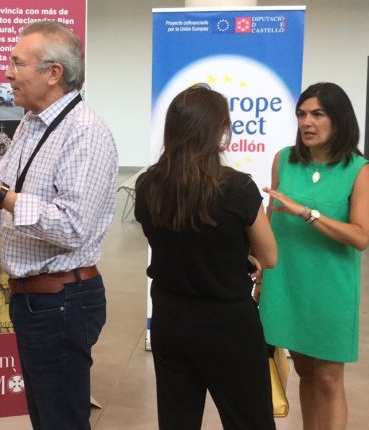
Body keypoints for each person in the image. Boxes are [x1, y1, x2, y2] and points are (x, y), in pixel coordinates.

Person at [0, 20, 117, 430]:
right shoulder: (30, 124)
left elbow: (72, 227)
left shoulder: (84, 133)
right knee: (46, 417)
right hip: (37, 301)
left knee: (61, 420)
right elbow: (8, 205)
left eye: (17, 63)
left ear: (53, 73)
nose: (7, 73)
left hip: (63, 300)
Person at [134, 84, 278, 430]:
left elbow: (165, 239)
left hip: (170, 316)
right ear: (218, 131)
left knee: (177, 419)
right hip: (227, 322)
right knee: (249, 419)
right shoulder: (238, 187)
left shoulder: (148, 185)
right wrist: (240, 253)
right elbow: (269, 256)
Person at [258, 82, 369, 430]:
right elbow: (270, 216)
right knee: (305, 371)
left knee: (328, 378)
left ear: (338, 119)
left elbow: (361, 236)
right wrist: (261, 272)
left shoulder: (358, 169)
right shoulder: (284, 160)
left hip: (331, 286)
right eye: (302, 114)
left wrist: (308, 213)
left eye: (317, 114)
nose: (307, 122)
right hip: (286, 283)